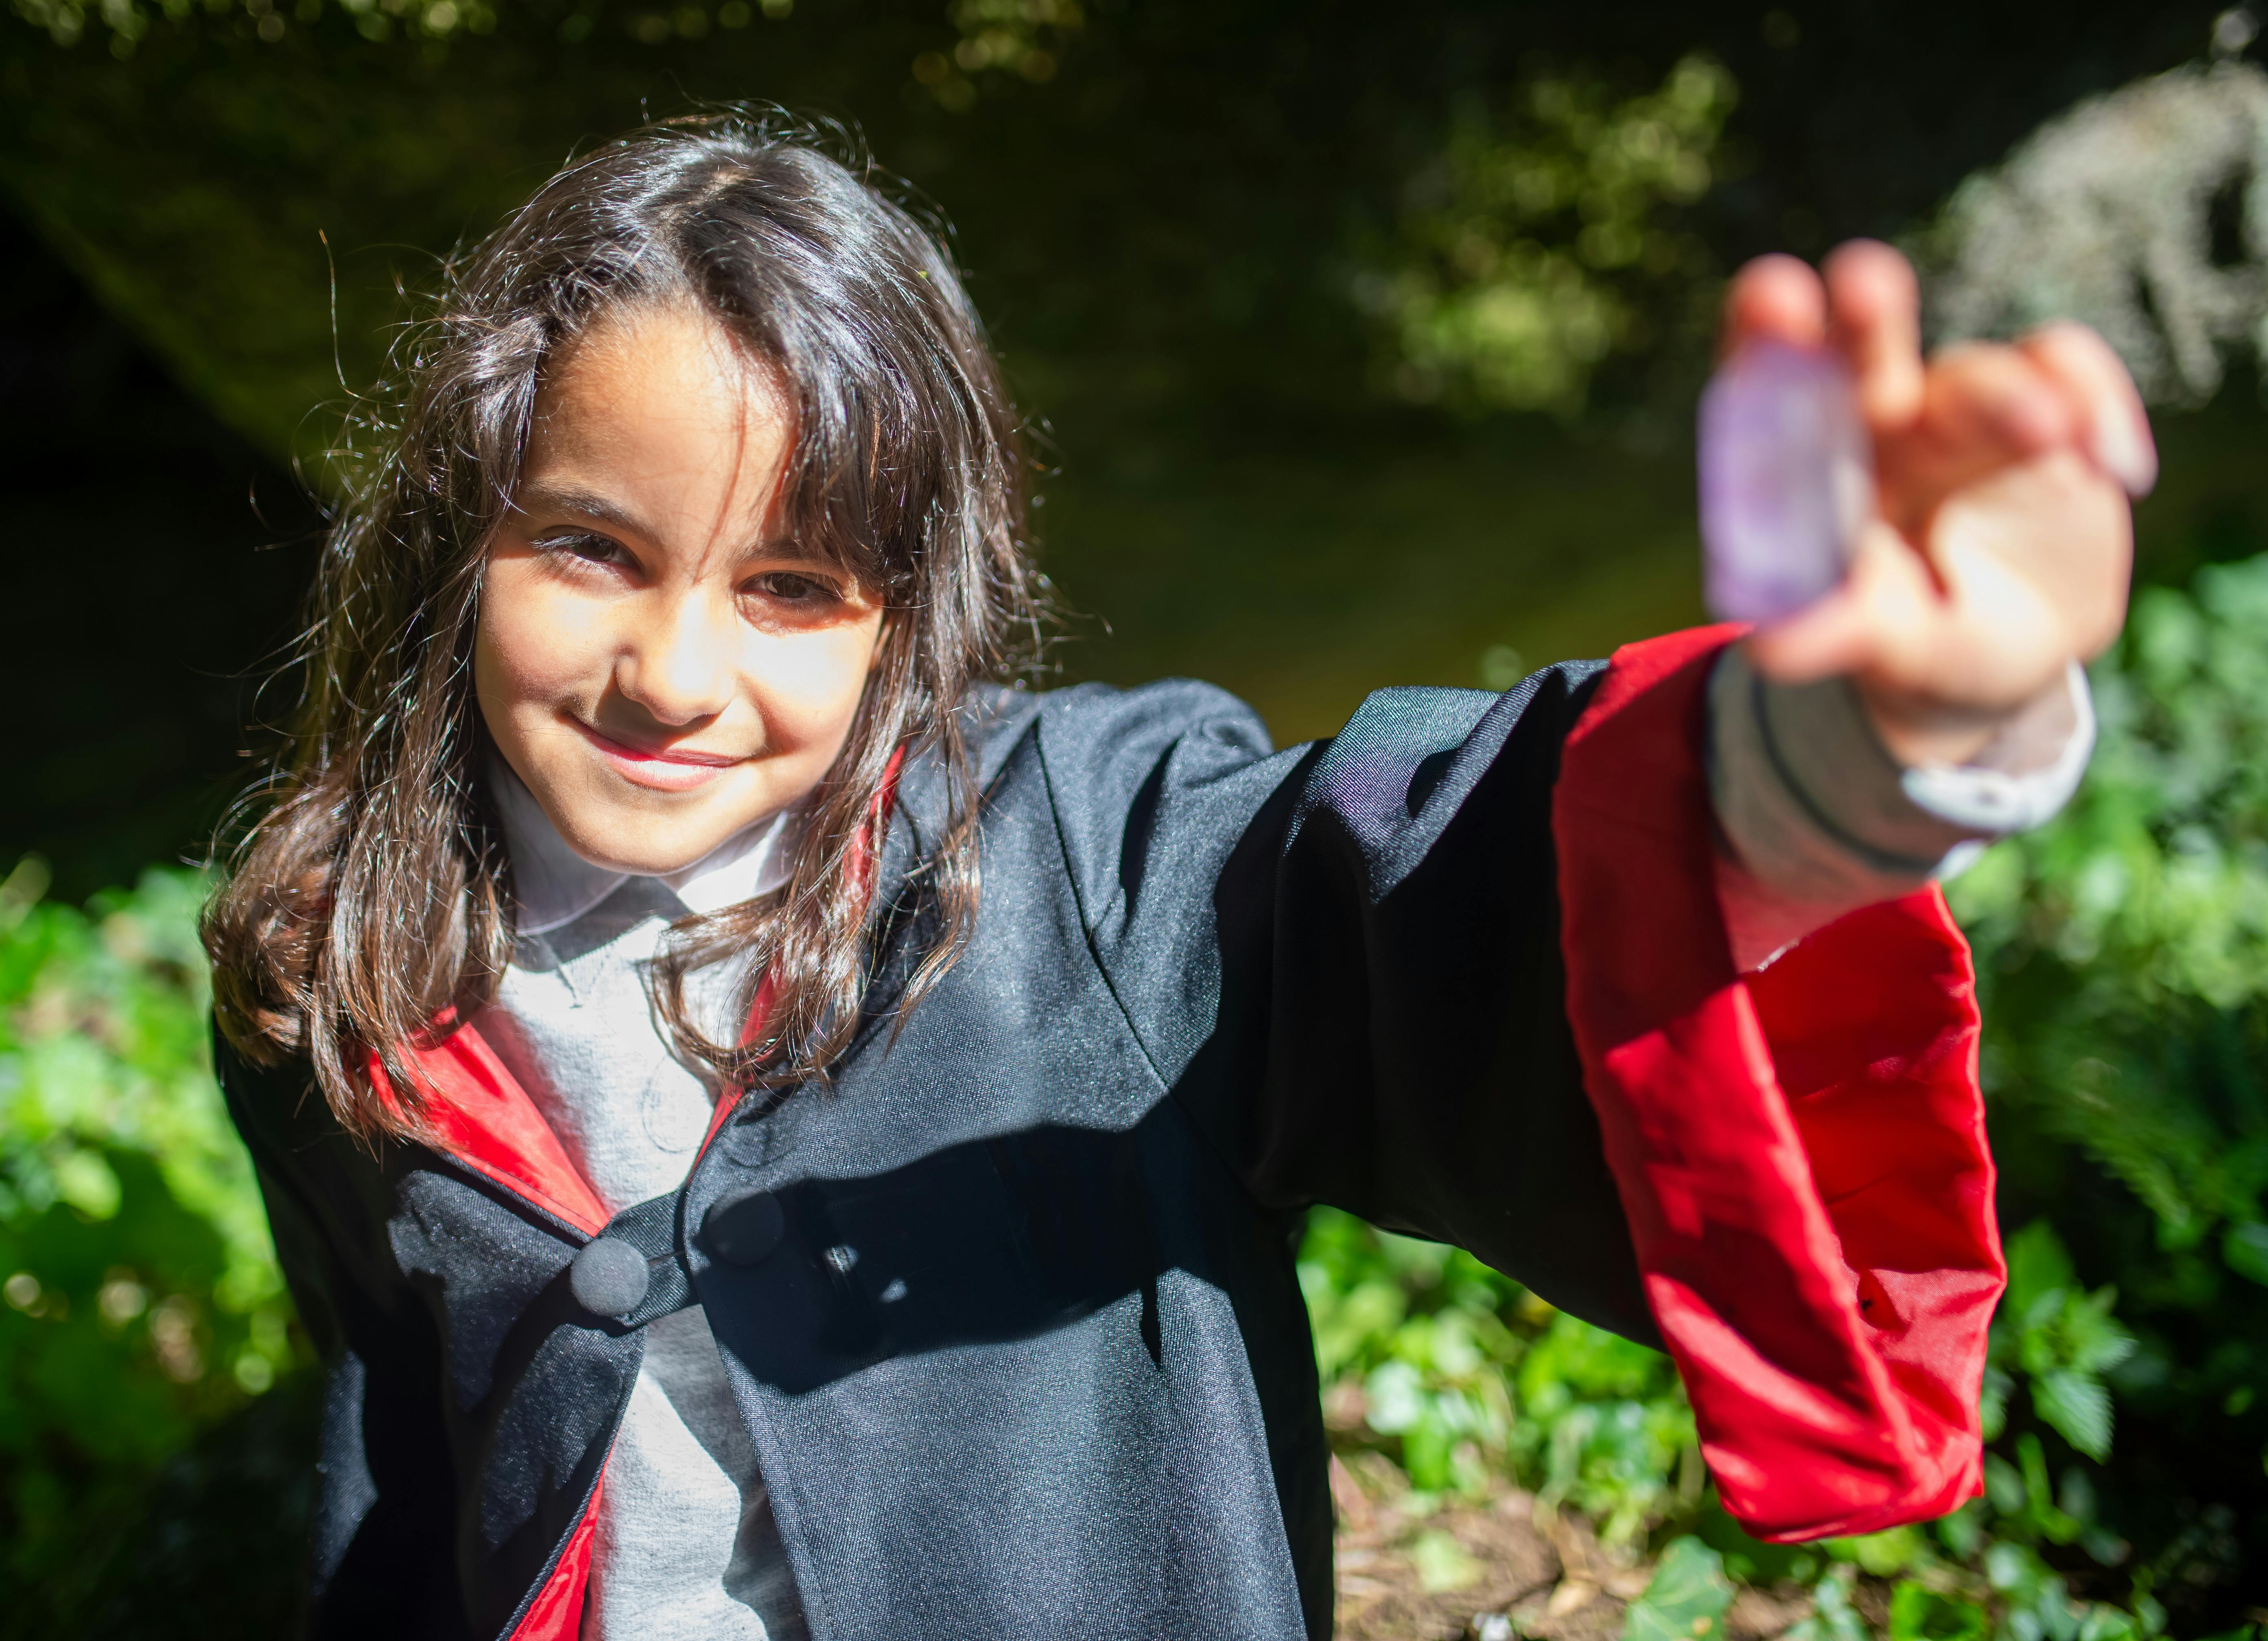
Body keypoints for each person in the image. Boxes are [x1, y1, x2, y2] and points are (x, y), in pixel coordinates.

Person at [201, 115, 2149, 1641]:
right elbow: (412, 1443)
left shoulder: (1099, 853)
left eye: (794, 583)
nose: (674, 671)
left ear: (913, 611)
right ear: (464, 527)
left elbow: (1441, 876)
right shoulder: (342, 951)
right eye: (590, 547)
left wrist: (1856, 742)